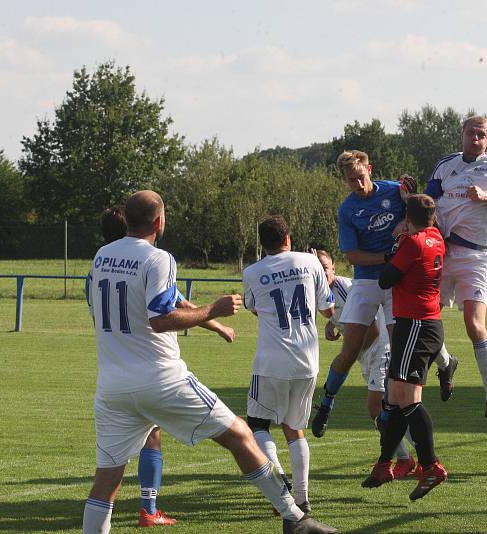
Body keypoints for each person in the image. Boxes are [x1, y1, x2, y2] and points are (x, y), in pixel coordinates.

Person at [82, 190, 336, 534]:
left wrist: (212, 323)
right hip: (161, 379)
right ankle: (295, 518)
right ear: (159, 221)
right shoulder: (158, 258)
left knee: (106, 481)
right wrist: (213, 311)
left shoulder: (101, 257)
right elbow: (161, 318)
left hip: (112, 387)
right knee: (241, 434)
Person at [86, 205, 236, 527]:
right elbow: (168, 313)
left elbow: (178, 301)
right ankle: (148, 507)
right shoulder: (148, 262)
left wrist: (217, 326)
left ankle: (147, 508)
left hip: (114, 372)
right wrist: (216, 317)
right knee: (229, 433)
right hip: (150, 369)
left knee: (143, 440)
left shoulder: (100, 265)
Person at [311, 150, 455, 437]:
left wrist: (410, 204)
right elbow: (353, 256)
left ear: (369, 169)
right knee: (350, 350)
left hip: (398, 282)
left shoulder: (395, 191)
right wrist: (388, 257)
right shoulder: (347, 209)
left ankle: (404, 404)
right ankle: (326, 403)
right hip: (366, 281)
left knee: (401, 346)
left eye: (361, 177)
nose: (358, 184)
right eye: (351, 180)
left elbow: (423, 216)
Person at [424, 115, 487, 429]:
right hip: (441, 252)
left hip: (474, 255)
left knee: (474, 324)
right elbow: (427, 204)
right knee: (426, 321)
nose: (475, 139)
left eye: (482, 135)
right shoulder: (445, 165)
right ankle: (446, 363)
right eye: (471, 133)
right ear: (462, 135)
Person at [242, 216, 336, 516]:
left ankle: (280, 485)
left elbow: (254, 307)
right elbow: (328, 309)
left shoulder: (253, 272)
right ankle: (303, 498)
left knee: (257, 424)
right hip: (307, 360)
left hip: (271, 360)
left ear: (263, 243)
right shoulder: (310, 262)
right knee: (294, 429)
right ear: (288, 238)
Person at [361, 194, 448, 500]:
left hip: (415, 325)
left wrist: (396, 245)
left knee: (406, 399)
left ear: (407, 218)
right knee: (396, 398)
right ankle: (385, 463)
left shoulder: (411, 243)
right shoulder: (436, 236)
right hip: (424, 324)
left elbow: (386, 280)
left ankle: (430, 465)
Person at [315, 249, 419, 479]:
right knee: (384, 410)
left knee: (380, 407)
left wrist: (350, 352)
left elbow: (370, 329)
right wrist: (333, 326)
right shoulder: (321, 293)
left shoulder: (344, 288)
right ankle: (406, 458)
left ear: (333, 267)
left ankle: (418, 458)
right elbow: (342, 317)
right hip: (366, 355)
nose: (321, 272)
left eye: (325, 267)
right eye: (317, 268)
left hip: (380, 348)